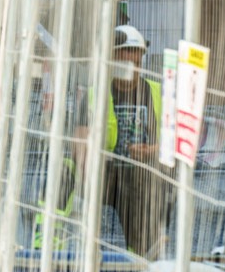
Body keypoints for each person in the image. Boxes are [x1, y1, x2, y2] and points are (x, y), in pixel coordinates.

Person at [72, 24, 168, 259]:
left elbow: (173, 144)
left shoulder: (157, 93)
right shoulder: (96, 94)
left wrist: (150, 151)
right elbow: (79, 141)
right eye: (122, 56)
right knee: (66, 170)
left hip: (143, 178)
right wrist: (86, 167)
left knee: (140, 192)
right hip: (107, 174)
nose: (129, 63)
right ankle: (53, 239)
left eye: (134, 57)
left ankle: (141, 259)